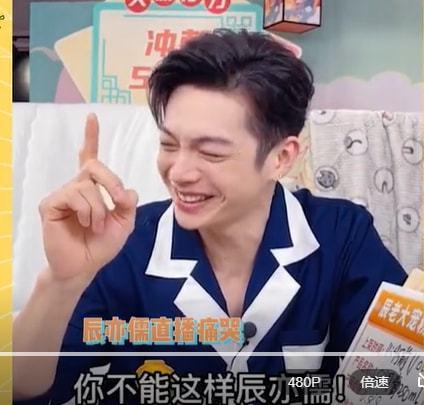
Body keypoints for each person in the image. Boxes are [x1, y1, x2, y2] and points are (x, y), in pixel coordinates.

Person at [13, 29, 406, 404]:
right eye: (169, 145)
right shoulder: (122, 243)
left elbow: (398, 380)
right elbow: (20, 388)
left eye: (211, 152)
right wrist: (60, 284)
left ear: (281, 158)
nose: (179, 172)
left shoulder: (342, 237)